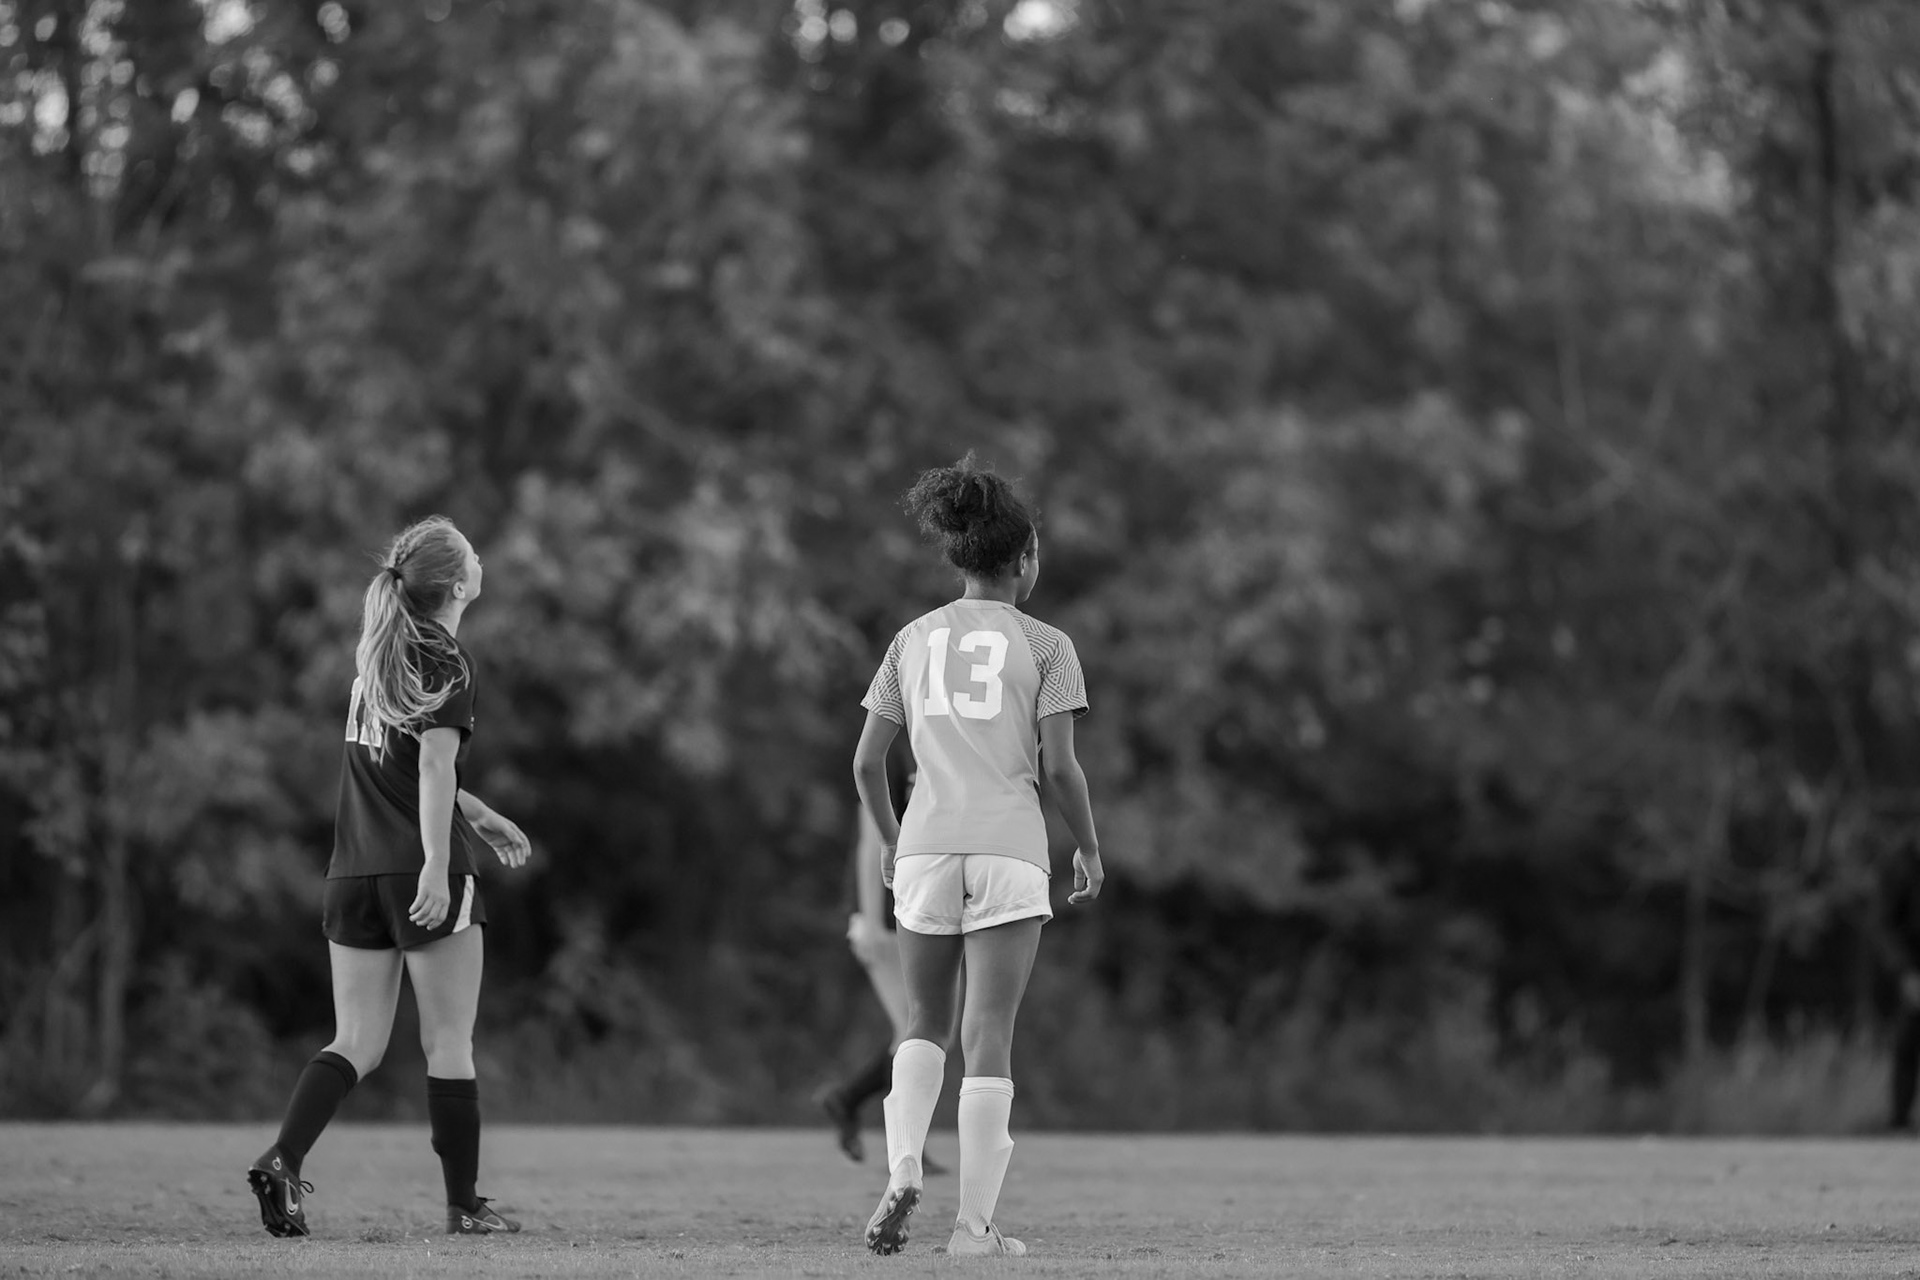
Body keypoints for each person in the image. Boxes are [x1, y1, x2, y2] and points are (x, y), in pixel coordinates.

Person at [246, 515, 532, 1238]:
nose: (480, 555)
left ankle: (283, 1158)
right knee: (449, 1044)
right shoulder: (447, 661)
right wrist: (439, 863)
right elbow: (432, 766)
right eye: (473, 551)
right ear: (459, 583)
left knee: (358, 1042)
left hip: (353, 873)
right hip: (417, 867)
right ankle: (464, 1207)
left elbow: (406, 770)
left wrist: (478, 812)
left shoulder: (378, 661)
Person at [851, 454, 1103, 1258]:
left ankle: (900, 1170)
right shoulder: (1048, 645)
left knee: (922, 1023)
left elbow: (865, 763)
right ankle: (973, 1230)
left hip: (925, 846)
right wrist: (1089, 850)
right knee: (987, 1030)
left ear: (959, 555)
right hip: (1008, 850)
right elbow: (1060, 766)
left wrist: (893, 843)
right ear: (1024, 556)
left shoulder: (911, 640)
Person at [812, 762, 949, 1174]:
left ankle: (854, 1104)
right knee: (921, 1030)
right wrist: (871, 920)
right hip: (886, 916)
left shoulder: (936, 730)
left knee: (922, 1032)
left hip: (915, 910)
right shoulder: (894, 748)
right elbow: (870, 840)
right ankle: (898, 1137)